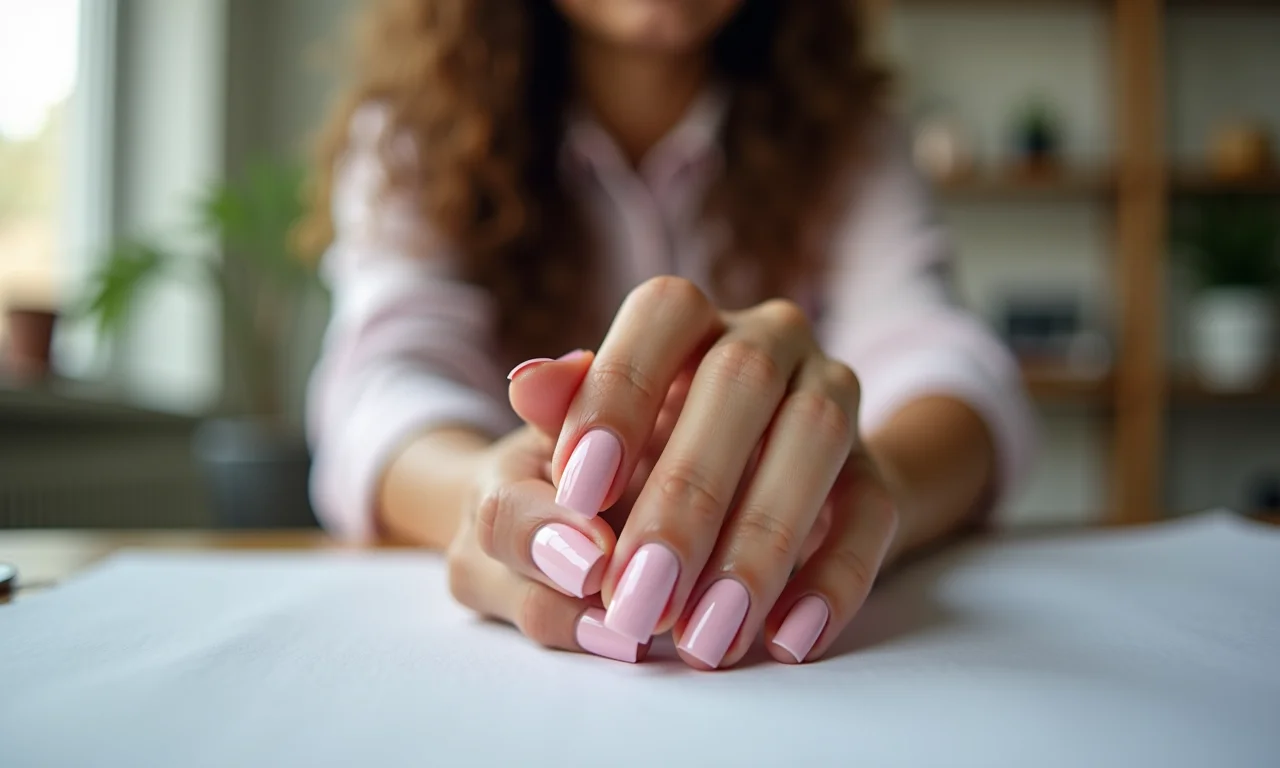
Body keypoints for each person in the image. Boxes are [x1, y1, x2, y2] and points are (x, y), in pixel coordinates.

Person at [301, 0, 1035, 670]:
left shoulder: (849, 133)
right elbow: (380, 383)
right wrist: (488, 496)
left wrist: (870, 486)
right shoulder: (413, 134)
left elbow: (943, 357)